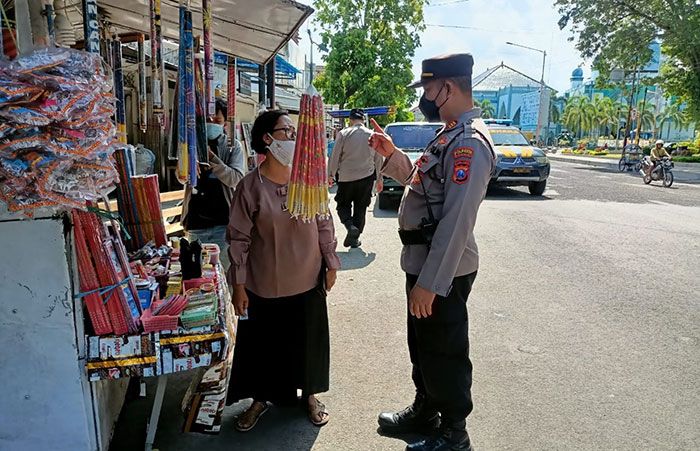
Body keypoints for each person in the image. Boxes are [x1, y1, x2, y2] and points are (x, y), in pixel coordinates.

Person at [369, 54, 496, 451]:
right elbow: (423, 184)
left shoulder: (469, 144)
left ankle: (454, 433)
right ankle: (427, 409)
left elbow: (457, 221)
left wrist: (430, 284)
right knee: (423, 344)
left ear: (448, 87)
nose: (423, 97)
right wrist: (391, 154)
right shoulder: (448, 134)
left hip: (443, 269)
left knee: (444, 348)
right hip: (423, 262)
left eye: (426, 89)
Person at [225, 110, 341, 431]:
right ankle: (261, 399)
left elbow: (323, 220)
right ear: (267, 138)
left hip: (307, 277)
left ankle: (311, 396)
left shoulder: (308, 180)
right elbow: (238, 238)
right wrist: (239, 284)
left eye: (294, 132)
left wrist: (331, 262)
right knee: (265, 346)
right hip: (264, 284)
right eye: (287, 131)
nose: (293, 137)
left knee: (309, 343)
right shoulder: (250, 187)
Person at [181, 98, 246, 271]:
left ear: (225, 122)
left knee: (222, 273)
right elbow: (180, 178)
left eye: (217, 121)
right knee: (198, 273)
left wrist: (213, 159)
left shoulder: (233, 147)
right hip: (196, 223)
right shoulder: (190, 146)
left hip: (222, 223)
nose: (211, 124)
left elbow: (236, 178)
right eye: (207, 121)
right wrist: (187, 165)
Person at [328, 108, 383, 248]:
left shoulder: (343, 133)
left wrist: (330, 175)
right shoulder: (372, 134)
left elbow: (335, 156)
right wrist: (380, 179)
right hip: (367, 177)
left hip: (346, 177)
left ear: (350, 120)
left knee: (342, 205)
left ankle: (349, 226)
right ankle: (355, 236)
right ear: (363, 120)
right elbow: (379, 159)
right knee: (361, 207)